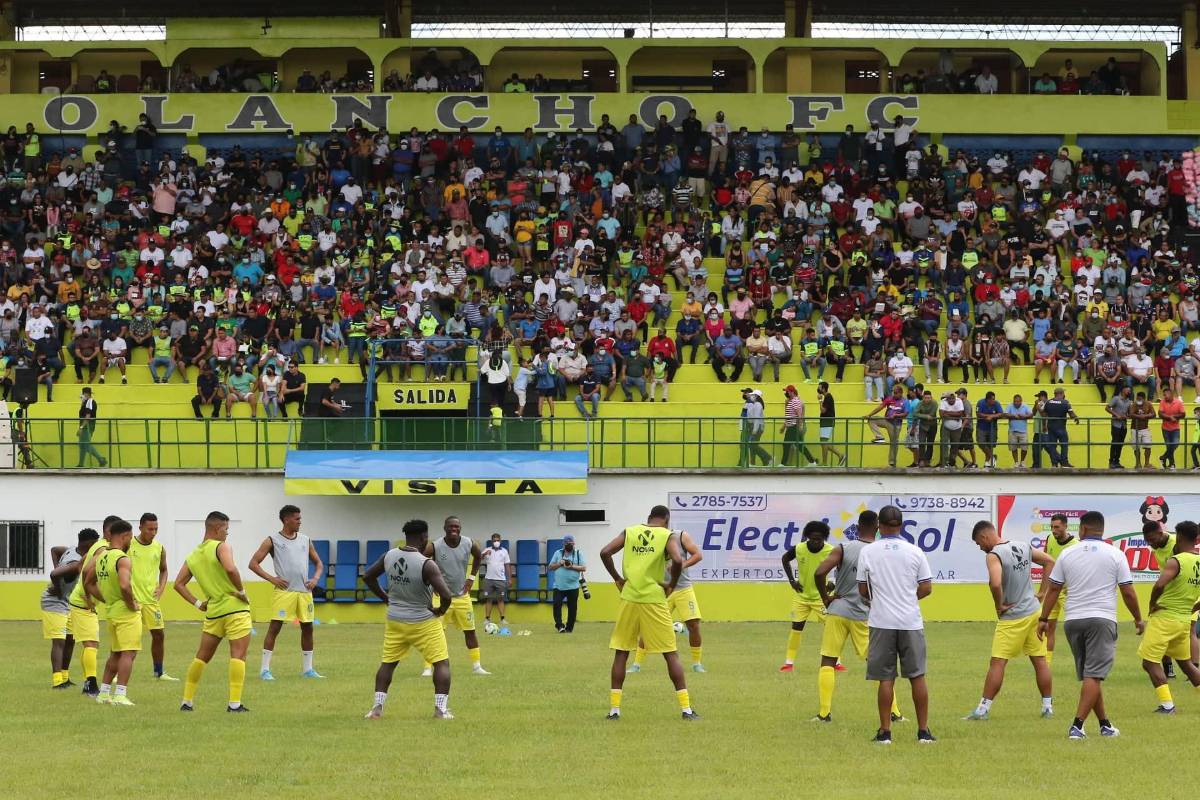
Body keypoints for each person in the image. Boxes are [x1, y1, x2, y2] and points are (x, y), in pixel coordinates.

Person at [1038, 510, 1144, 739]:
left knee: (1090, 675)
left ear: (1082, 529)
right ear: (1102, 529)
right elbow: (1128, 591)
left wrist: (1043, 619)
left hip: (1073, 620)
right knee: (1094, 676)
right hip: (1101, 619)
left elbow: (1053, 588)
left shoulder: (1067, 554)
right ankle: (1077, 725)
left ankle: (1105, 724)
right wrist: (1137, 618)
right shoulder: (1115, 554)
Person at [600, 504, 699, 721]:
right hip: (654, 599)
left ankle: (614, 711)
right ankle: (686, 710)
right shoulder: (667, 535)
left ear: (649, 518)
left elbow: (605, 552)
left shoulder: (630, 531)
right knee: (670, 653)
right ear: (666, 519)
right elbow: (678, 560)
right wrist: (670, 584)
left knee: (621, 652)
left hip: (629, 597)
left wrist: (617, 578)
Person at [812, 510, 903, 722]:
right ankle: (895, 713)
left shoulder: (844, 548)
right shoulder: (880, 551)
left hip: (838, 611)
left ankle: (824, 713)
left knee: (828, 660)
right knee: (878, 663)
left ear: (858, 526)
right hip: (865, 614)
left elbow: (819, 572)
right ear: (878, 527)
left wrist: (826, 598)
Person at [857, 504, 935, 744]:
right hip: (910, 621)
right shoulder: (915, 551)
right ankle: (923, 731)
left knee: (885, 678)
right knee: (917, 676)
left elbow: (862, 589)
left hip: (881, 621)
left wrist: (879, 601)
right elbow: (926, 587)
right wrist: (908, 599)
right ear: (901, 525)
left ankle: (885, 732)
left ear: (879, 526)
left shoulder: (868, 552)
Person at [362, 519, 455, 720]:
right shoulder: (426, 564)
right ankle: (441, 710)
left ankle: (377, 708)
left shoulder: (389, 555)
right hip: (423, 621)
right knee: (441, 663)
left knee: (388, 663)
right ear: (424, 538)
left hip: (395, 620)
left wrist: (385, 598)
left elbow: (368, 576)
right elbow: (446, 595)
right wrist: (440, 611)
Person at [963, 520, 1055, 720]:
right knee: (1039, 661)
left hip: (1012, 618)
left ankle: (982, 710)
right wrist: (1042, 593)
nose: (980, 548)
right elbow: (1050, 561)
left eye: (979, 543)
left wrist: (999, 605)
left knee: (998, 662)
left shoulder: (993, 555)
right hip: (1033, 612)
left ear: (984, 536)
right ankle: (1047, 706)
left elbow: (995, 583)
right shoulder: (1022, 545)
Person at [173, 510, 253, 713]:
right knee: (238, 655)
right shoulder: (221, 546)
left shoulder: (193, 555)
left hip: (214, 612)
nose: (227, 533)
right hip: (235, 609)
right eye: (226, 529)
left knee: (202, 656)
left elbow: (179, 584)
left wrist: (199, 604)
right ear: (218, 528)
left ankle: (187, 701)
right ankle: (234, 704)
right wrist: (242, 592)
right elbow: (231, 569)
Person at [248, 504, 325, 681]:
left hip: (304, 593)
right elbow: (253, 563)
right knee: (275, 627)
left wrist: (315, 579)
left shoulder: (305, 539)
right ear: (286, 519)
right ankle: (265, 670)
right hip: (285, 593)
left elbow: (319, 564)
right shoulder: (272, 540)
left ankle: (308, 670)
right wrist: (272, 579)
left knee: (308, 628)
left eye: (300, 518)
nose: (300, 522)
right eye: (297, 519)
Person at [1138, 520, 1200, 713]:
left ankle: (1167, 705)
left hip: (1165, 617)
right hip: (1183, 619)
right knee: (1186, 664)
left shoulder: (1177, 560)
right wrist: (1194, 606)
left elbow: (1159, 585)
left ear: (1179, 537)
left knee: (1149, 662)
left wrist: (1152, 604)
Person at [421, 516, 491, 674]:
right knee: (434, 632)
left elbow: (479, 556)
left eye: (457, 527)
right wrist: (432, 583)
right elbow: (420, 561)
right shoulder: (435, 546)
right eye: (451, 526)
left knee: (470, 631)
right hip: (440, 597)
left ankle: (477, 666)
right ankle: (427, 667)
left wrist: (471, 578)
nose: (454, 529)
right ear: (444, 528)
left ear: (460, 528)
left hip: (461, 596)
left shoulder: (469, 543)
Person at [631, 529, 705, 673]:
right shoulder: (649, 541)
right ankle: (636, 664)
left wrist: (681, 565)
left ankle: (697, 664)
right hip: (661, 590)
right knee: (649, 626)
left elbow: (698, 555)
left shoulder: (681, 536)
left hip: (683, 588)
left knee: (694, 625)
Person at [84, 518, 139, 706]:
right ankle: (121, 694)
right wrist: (131, 603)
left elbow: (88, 583)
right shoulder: (122, 559)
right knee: (128, 653)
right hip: (125, 612)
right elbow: (124, 585)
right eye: (130, 537)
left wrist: (106, 598)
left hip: (111, 611)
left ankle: (104, 693)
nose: (131, 541)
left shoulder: (101, 557)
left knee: (115, 653)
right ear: (125, 536)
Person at [67, 515, 119, 696]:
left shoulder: (97, 546)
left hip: (81, 602)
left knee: (90, 644)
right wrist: (88, 596)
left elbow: (81, 564)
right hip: (82, 603)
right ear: (108, 532)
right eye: (120, 534)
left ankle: (87, 682)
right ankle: (90, 684)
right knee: (91, 644)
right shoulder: (103, 549)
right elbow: (87, 571)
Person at [41, 528, 99, 688]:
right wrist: (58, 588)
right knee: (59, 641)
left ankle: (65, 676)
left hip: (68, 601)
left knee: (70, 639)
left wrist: (59, 567)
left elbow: (55, 550)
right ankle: (57, 680)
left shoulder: (73, 549)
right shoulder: (75, 563)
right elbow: (54, 574)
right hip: (54, 601)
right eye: (95, 544)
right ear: (89, 544)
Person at [128, 512, 177, 681]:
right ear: (140, 527)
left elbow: (164, 570)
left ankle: (159, 672)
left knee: (159, 635)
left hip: (150, 600)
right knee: (130, 638)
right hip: (132, 599)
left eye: (156, 529)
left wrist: (161, 588)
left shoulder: (159, 548)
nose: (153, 532)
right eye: (150, 529)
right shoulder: (128, 545)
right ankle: (118, 673)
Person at [780, 521, 833, 672]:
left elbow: (842, 567)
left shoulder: (830, 550)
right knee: (796, 628)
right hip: (802, 597)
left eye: (820, 539)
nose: (816, 542)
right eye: (813, 538)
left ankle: (836, 662)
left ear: (825, 538)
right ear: (808, 536)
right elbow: (785, 559)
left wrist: (833, 584)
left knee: (831, 628)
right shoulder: (799, 548)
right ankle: (789, 663)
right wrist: (792, 581)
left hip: (821, 598)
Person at [549, 534, 586, 634]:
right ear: (563, 544)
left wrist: (571, 566)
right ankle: (560, 626)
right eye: (567, 543)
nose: (569, 545)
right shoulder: (557, 553)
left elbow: (583, 568)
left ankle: (569, 628)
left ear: (574, 543)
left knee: (572, 608)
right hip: (558, 586)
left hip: (573, 587)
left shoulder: (578, 553)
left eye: (571, 543)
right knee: (557, 605)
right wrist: (559, 563)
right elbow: (550, 567)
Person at [480, 532, 513, 633]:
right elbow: (479, 558)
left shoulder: (504, 551)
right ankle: (487, 618)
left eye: (498, 540)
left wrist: (510, 578)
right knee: (488, 599)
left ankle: (502, 619)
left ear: (500, 541)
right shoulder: (487, 549)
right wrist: (485, 554)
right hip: (488, 579)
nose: (496, 542)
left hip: (501, 579)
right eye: (494, 540)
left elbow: (507, 565)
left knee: (500, 599)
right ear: (491, 541)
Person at [780, 384, 818, 467]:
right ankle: (812, 461)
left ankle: (783, 463)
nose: (786, 393)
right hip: (792, 425)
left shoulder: (795, 401)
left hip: (793, 426)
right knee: (799, 445)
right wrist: (784, 426)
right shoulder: (792, 401)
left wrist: (800, 426)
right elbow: (789, 416)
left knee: (786, 444)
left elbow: (799, 414)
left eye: (787, 391)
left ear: (791, 392)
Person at [77, 387, 106, 468]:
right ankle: (80, 464)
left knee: (86, 444)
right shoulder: (86, 402)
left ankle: (101, 459)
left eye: (83, 393)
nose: (82, 395)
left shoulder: (90, 402)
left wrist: (81, 427)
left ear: (86, 394)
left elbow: (88, 416)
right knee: (82, 445)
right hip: (85, 425)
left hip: (87, 425)